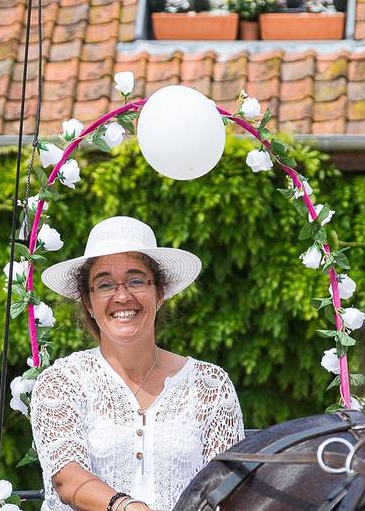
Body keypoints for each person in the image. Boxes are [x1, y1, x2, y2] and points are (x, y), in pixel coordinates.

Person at [30, 216, 245, 511]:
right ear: (89, 303)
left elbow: (229, 490)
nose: (122, 296)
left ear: (160, 293)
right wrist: (125, 507)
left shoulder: (209, 384)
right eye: (104, 284)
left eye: (136, 280)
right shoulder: (62, 382)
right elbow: (67, 478)